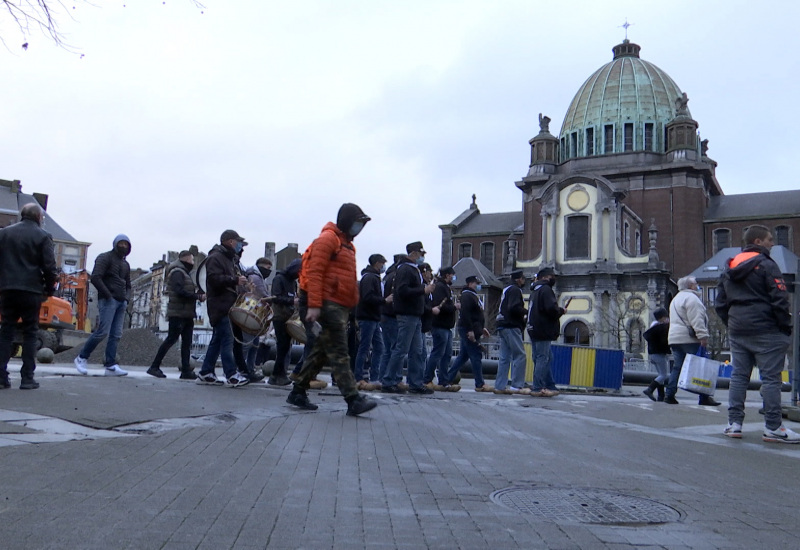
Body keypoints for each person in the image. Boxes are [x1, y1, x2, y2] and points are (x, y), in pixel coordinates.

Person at [287, 203, 377, 416]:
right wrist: (315, 305)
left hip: (337, 305)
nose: (359, 227)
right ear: (347, 221)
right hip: (329, 304)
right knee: (339, 352)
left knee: (320, 351)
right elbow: (315, 273)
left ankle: (298, 391)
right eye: (357, 222)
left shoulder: (345, 244)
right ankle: (353, 399)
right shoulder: (329, 240)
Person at [715, 225, 799, 443]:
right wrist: (785, 327)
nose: (773, 243)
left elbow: (720, 303)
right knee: (771, 379)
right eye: (770, 239)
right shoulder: (767, 265)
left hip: (738, 330)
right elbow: (780, 299)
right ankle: (773, 427)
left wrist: (731, 323)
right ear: (759, 242)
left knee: (738, 377)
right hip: (767, 330)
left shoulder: (729, 267)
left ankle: (734, 424)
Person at [0, 204, 58, 390]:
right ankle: (27, 378)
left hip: (7, 289)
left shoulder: (4, 234)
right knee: (30, 333)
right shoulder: (43, 236)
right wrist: (49, 290)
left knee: (6, 331)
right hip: (31, 291)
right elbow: (49, 267)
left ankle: (1, 377)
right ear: (39, 217)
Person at [196, 230, 250, 388]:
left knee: (217, 340)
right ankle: (231, 375)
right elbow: (212, 279)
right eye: (237, 241)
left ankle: (206, 371)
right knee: (227, 340)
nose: (239, 245)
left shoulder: (227, 259)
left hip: (224, 304)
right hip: (220, 305)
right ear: (229, 241)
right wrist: (234, 280)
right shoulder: (216, 257)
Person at [381, 242, 436, 395]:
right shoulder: (406, 269)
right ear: (414, 253)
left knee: (416, 351)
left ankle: (415, 383)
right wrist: (423, 290)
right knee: (401, 349)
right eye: (421, 253)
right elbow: (402, 290)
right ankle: (389, 381)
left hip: (414, 315)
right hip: (408, 314)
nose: (422, 257)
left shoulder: (410, 269)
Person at [74, 234, 133, 377]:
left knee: (116, 335)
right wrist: (108, 295)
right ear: (115, 244)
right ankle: (81, 357)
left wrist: (126, 299)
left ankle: (111, 365)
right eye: (121, 243)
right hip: (108, 300)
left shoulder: (125, 264)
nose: (123, 246)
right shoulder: (104, 257)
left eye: (126, 244)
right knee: (102, 332)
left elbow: (128, 284)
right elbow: (95, 277)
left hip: (121, 302)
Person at [147, 250, 205, 380]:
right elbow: (180, 291)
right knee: (171, 339)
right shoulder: (177, 272)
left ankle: (185, 371)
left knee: (186, 343)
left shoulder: (183, 273)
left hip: (186, 313)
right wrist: (197, 296)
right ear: (185, 259)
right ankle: (154, 366)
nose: (193, 262)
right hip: (178, 313)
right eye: (191, 260)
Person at [665, 276, 719, 406]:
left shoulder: (676, 299)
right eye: (696, 284)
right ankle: (704, 396)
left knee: (678, 367)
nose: (698, 285)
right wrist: (703, 336)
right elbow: (697, 319)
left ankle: (669, 394)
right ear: (690, 286)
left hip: (674, 338)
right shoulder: (692, 299)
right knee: (701, 365)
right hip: (689, 338)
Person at [446, 275, 491, 392]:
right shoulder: (467, 296)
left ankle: (448, 378)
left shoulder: (471, 296)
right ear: (470, 284)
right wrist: (470, 330)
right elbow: (466, 314)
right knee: (476, 356)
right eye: (476, 283)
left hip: (473, 329)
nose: (478, 285)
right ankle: (480, 383)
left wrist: (481, 328)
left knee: (463, 356)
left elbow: (475, 315)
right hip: (468, 330)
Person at [527, 267, 564, 397]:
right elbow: (550, 309)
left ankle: (550, 384)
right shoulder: (546, 290)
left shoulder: (534, 291)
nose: (553, 278)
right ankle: (537, 387)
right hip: (543, 328)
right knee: (543, 358)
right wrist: (560, 311)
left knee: (544, 357)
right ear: (545, 277)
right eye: (551, 276)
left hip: (533, 328)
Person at [354, 254, 390, 391]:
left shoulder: (372, 277)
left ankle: (374, 377)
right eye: (382, 263)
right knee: (365, 347)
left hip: (373, 317)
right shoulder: (370, 278)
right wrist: (384, 300)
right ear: (377, 263)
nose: (383, 266)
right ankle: (359, 377)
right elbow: (368, 297)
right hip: (368, 317)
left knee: (378, 347)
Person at [424, 266, 459, 392]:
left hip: (446, 326)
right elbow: (441, 306)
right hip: (440, 325)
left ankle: (443, 380)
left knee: (447, 354)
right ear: (447, 275)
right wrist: (454, 307)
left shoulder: (445, 287)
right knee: (438, 353)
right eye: (452, 275)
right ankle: (427, 379)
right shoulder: (440, 287)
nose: (453, 277)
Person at [495, 269, 529, 395]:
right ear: (519, 279)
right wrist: (526, 312)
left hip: (502, 325)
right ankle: (517, 385)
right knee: (520, 355)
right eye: (523, 278)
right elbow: (514, 307)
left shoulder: (506, 289)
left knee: (504, 357)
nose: (524, 281)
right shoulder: (515, 290)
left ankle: (499, 386)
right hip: (511, 325)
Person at [269, 258, 302, 386]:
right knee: (282, 346)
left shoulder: (292, 282)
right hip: (279, 316)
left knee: (285, 347)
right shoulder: (279, 279)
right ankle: (277, 374)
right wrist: (291, 301)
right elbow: (275, 297)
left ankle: (279, 373)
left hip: (289, 316)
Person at [243, 257, 272, 377]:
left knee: (253, 344)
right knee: (249, 344)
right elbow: (263, 295)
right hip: (252, 312)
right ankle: (244, 369)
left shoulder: (254, 276)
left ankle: (248, 369)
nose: (269, 271)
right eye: (268, 268)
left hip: (252, 312)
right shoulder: (256, 278)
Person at [378, 254, 402, 389]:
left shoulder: (387, 276)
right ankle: (394, 378)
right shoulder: (396, 277)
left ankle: (383, 377)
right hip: (392, 316)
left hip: (385, 315)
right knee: (395, 348)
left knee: (387, 350)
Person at [642, 307, 670, 401]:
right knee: (663, 375)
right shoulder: (661, 328)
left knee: (660, 374)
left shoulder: (653, 328)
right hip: (659, 353)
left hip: (653, 353)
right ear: (662, 317)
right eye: (666, 317)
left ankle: (661, 396)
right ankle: (650, 389)